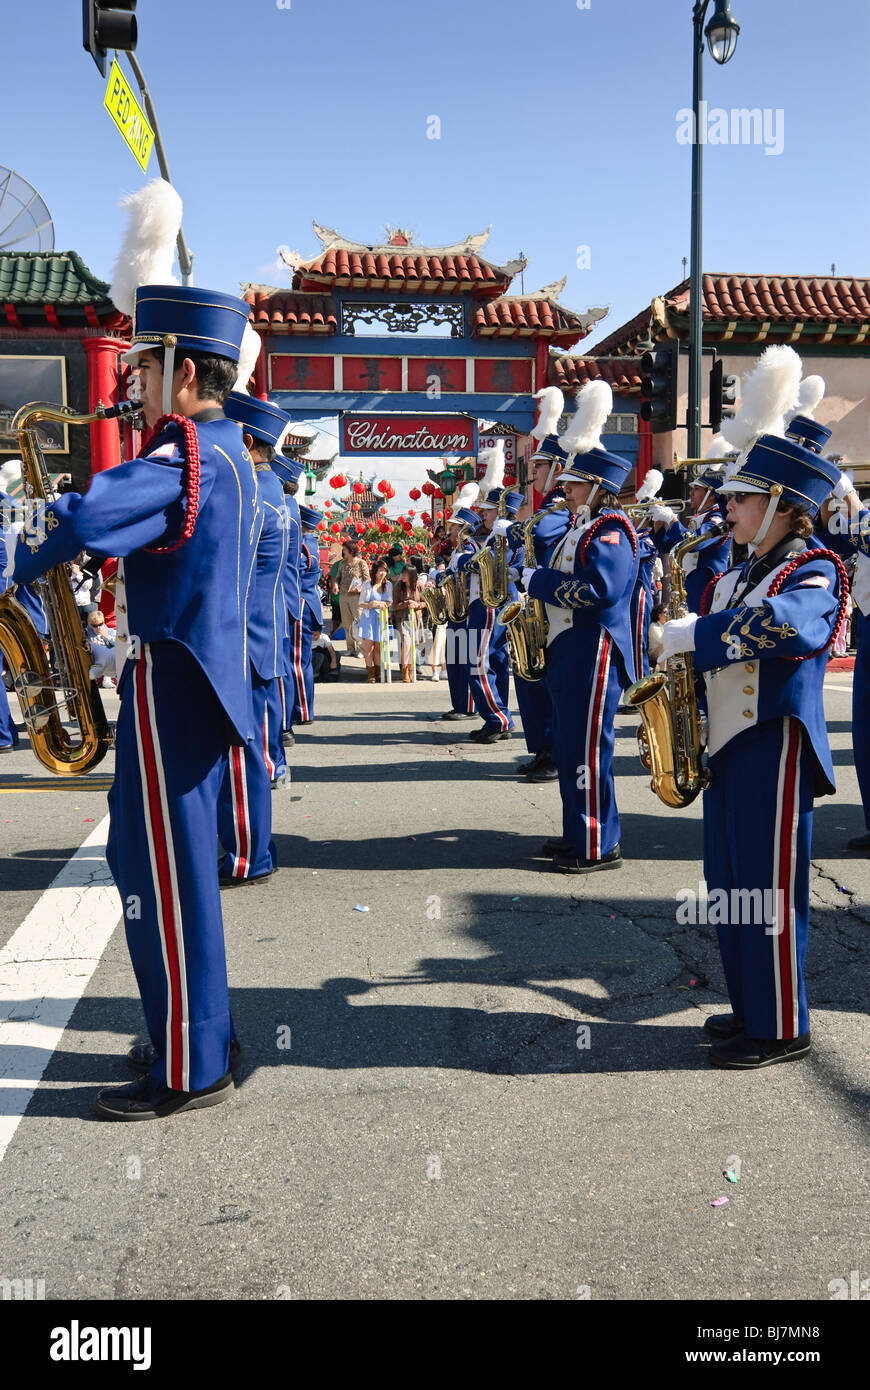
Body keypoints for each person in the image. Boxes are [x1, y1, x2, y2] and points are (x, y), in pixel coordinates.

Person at [5, 278, 258, 1120]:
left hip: (176, 684)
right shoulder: (224, 451)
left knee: (169, 876)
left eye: (145, 365)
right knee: (153, 867)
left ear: (184, 369)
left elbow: (81, 521)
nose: (132, 384)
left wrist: (12, 547)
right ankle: (199, 1034)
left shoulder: (185, 448)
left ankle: (192, 1064)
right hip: (187, 678)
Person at [659, 427, 846, 1069]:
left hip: (773, 743)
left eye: (738, 499)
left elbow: (789, 626)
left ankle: (782, 1025)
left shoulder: (816, 568)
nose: (725, 509)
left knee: (767, 888)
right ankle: (750, 1007)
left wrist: (698, 633)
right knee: (730, 884)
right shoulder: (738, 573)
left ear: (780, 506)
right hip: (728, 746)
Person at [522, 381, 639, 874]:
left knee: (589, 747)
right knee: (572, 745)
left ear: (595, 486)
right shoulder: (582, 525)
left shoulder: (610, 529)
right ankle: (578, 831)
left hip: (594, 649)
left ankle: (598, 842)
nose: (563, 488)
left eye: (573, 483)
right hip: (571, 648)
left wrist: (540, 582)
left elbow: (600, 591)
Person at [216, 392, 293, 887]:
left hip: (242, 643)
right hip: (257, 640)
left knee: (240, 757)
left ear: (246, 441)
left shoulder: (252, 496)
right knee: (247, 752)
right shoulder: (272, 492)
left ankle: (247, 856)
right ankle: (251, 846)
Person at [505, 426, 571, 782]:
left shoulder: (562, 498)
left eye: (540, 465)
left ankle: (555, 753)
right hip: (540, 599)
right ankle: (543, 748)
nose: (533, 472)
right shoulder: (551, 500)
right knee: (531, 679)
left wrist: (512, 529)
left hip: (554, 603)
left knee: (544, 681)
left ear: (558, 466)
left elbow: (539, 533)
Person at [459, 476, 524, 742]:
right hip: (486, 603)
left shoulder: (504, 535)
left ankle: (498, 717)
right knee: (493, 661)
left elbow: (489, 564)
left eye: (487, 508)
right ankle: (498, 717)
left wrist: (464, 561)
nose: (482, 513)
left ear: (500, 511)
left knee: (477, 661)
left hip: (490, 603)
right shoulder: (495, 534)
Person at [650, 466, 731, 616]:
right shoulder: (701, 517)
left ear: (711, 493)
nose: (691, 493)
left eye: (696, 489)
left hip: (707, 585)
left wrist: (671, 519)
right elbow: (665, 547)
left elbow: (694, 544)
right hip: (691, 584)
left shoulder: (718, 518)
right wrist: (659, 523)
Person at [437, 484, 481, 720]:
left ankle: (469, 706)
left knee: (464, 658)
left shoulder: (471, 547)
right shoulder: (457, 550)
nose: (450, 529)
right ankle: (459, 704)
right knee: (453, 658)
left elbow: (466, 576)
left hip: (465, 609)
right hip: (456, 610)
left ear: (463, 528)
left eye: (454, 525)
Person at [294, 506, 325, 722]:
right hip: (309, 603)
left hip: (301, 603)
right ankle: (304, 708)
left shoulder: (302, 546)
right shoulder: (311, 544)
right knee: (302, 661)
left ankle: (303, 710)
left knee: (298, 661)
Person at [358, 558, 393, 682]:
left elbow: (389, 602)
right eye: (380, 571)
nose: (382, 573)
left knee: (378, 647)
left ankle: (378, 671)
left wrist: (377, 603)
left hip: (381, 618)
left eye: (384, 570)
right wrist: (370, 605)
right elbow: (361, 603)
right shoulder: (367, 584)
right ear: (375, 572)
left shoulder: (388, 585)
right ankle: (370, 672)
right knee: (369, 647)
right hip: (368, 617)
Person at [391, 564, 425, 682]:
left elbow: (426, 602)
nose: (403, 576)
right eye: (402, 573)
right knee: (406, 643)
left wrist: (417, 605)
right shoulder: (398, 586)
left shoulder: (419, 586)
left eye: (405, 573)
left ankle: (411, 669)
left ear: (412, 575)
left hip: (416, 618)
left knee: (413, 645)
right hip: (402, 619)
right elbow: (394, 606)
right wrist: (407, 603)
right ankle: (405, 670)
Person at [335, 540, 368, 656]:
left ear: (351, 550)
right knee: (346, 623)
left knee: (358, 621)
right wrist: (335, 584)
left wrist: (360, 588)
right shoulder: (342, 563)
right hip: (343, 596)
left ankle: (361, 649)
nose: (343, 551)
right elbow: (337, 577)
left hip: (357, 597)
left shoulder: (361, 563)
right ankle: (350, 648)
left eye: (344, 549)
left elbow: (367, 579)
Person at [646, 602, 667, 667]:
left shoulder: (666, 625)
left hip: (661, 650)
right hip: (654, 654)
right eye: (665, 612)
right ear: (659, 615)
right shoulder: (654, 626)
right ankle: (663, 672)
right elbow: (662, 640)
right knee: (664, 645)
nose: (667, 614)